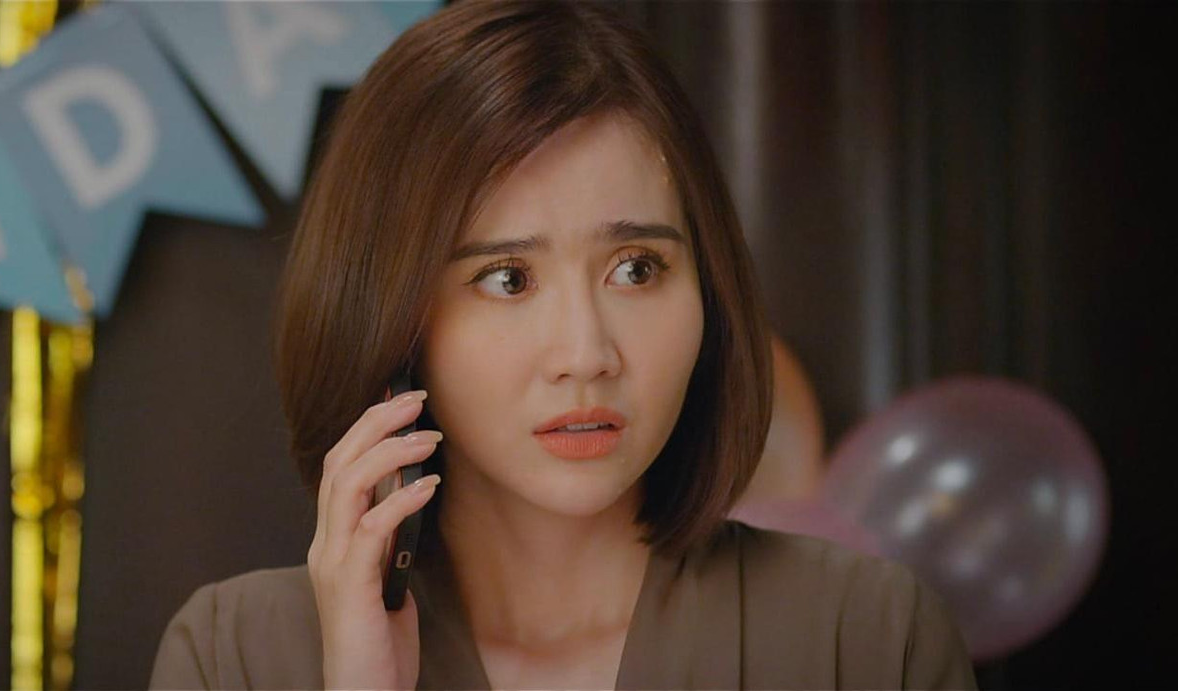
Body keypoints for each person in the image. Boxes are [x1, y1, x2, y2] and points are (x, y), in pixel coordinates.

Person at [150, 1, 978, 689]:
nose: (586, 353)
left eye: (637, 268)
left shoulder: (870, 640)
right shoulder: (233, 657)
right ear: (393, 314)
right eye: (507, 278)